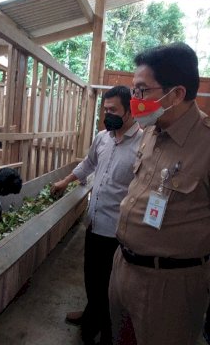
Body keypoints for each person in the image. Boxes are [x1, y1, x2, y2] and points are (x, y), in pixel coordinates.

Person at [108, 43, 210, 345]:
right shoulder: (151, 133)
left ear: (176, 94)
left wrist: (192, 247)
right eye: (133, 90)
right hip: (123, 266)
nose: (135, 100)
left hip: (170, 284)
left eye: (142, 91)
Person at [52, 85, 143, 345]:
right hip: (94, 223)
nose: (108, 115)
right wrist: (65, 181)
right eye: (105, 110)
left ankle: (106, 329)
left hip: (118, 231)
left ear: (129, 110)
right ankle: (91, 313)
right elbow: (88, 164)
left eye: (113, 110)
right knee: (92, 276)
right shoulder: (102, 137)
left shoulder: (143, 145)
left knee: (112, 286)